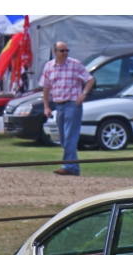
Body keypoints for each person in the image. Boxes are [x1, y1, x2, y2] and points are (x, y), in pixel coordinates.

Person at [40, 41, 95, 176]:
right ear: (55, 52)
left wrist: (83, 94)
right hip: (59, 105)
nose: (65, 53)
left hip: (72, 104)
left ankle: (68, 166)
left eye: (66, 50)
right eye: (62, 51)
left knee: (70, 135)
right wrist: (46, 106)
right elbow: (46, 87)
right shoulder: (49, 67)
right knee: (63, 138)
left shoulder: (75, 64)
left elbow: (90, 79)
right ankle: (74, 168)